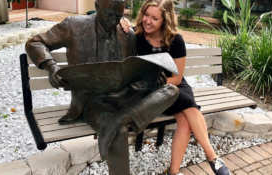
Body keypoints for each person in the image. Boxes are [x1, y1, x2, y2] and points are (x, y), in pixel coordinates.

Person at [26, 0, 179, 174]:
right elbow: (35, 43)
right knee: (118, 132)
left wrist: (151, 77)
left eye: (118, 15)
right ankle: (117, 122)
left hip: (126, 94)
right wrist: (51, 67)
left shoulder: (126, 32)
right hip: (94, 101)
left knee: (171, 90)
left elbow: (134, 68)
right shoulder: (73, 26)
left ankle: (117, 119)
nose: (113, 21)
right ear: (97, 6)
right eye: (108, 14)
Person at [120, 0, 231, 174]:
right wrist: (121, 22)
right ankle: (212, 158)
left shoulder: (175, 41)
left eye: (154, 18)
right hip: (147, 90)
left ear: (165, 20)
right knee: (188, 113)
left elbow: (177, 79)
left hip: (171, 83)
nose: (148, 21)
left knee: (186, 119)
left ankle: (182, 168)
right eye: (146, 15)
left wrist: (157, 83)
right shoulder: (136, 36)